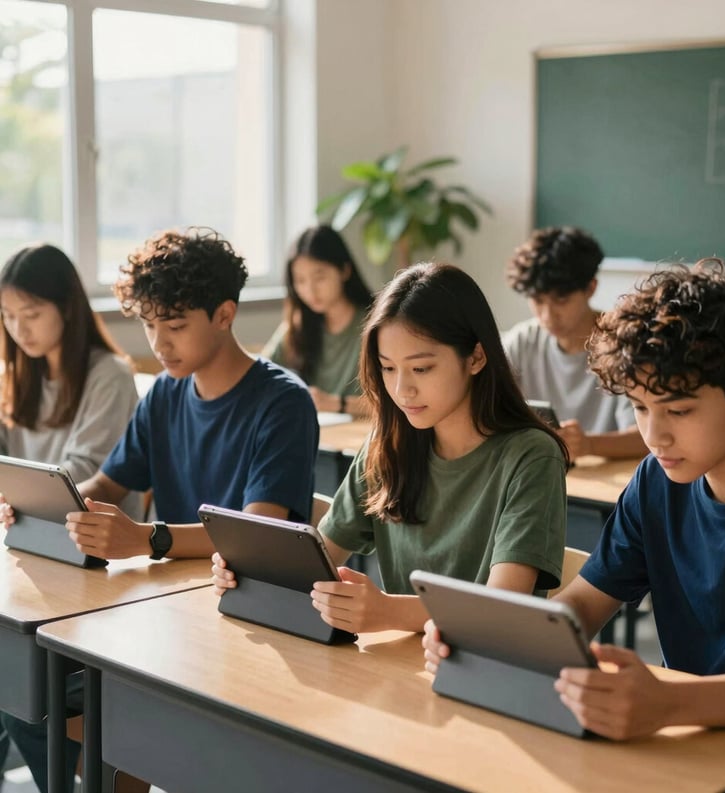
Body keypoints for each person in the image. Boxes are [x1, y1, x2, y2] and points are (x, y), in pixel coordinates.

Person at [5, 228, 320, 793]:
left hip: (242, 621)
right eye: (150, 325)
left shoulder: (282, 401)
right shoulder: (167, 393)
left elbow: (258, 535)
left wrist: (149, 538)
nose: (158, 343)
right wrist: (52, 505)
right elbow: (109, 482)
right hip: (167, 614)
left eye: (174, 326)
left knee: (83, 702)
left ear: (224, 315)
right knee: (22, 687)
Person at [424, 260, 725, 740]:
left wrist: (671, 703)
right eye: (640, 407)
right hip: (690, 740)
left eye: (680, 410)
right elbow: (584, 604)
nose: (655, 436)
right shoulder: (656, 481)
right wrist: (495, 641)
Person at [214, 262, 569, 635]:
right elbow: (318, 562)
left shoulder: (532, 456)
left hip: (483, 664)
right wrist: (250, 574)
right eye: (387, 368)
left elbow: (502, 609)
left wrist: (389, 612)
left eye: (421, 369)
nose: (402, 390)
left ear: (476, 358)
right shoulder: (388, 444)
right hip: (399, 658)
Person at [0, 243, 139, 792]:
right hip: (31, 564)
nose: (19, 330)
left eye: (31, 314)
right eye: (8, 316)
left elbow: (79, 475)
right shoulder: (18, 375)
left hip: (94, 573)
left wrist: (16, 494)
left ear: (66, 307)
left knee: (15, 691)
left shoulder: (109, 374)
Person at [502, 226, 646, 459]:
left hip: (607, 476)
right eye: (537, 300)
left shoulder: (624, 344)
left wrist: (589, 445)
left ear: (590, 288)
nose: (547, 316)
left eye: (561, 299)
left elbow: (649, 438)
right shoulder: (522, 342)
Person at [261, 225, 373, 417]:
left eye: (319, 278)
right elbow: (261, 373)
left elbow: (395, 403)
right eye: (300, 281)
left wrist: (336, 404)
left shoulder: (375, 325)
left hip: (360, 431)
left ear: (344, 270)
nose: (310, 291)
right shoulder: (297, 325)